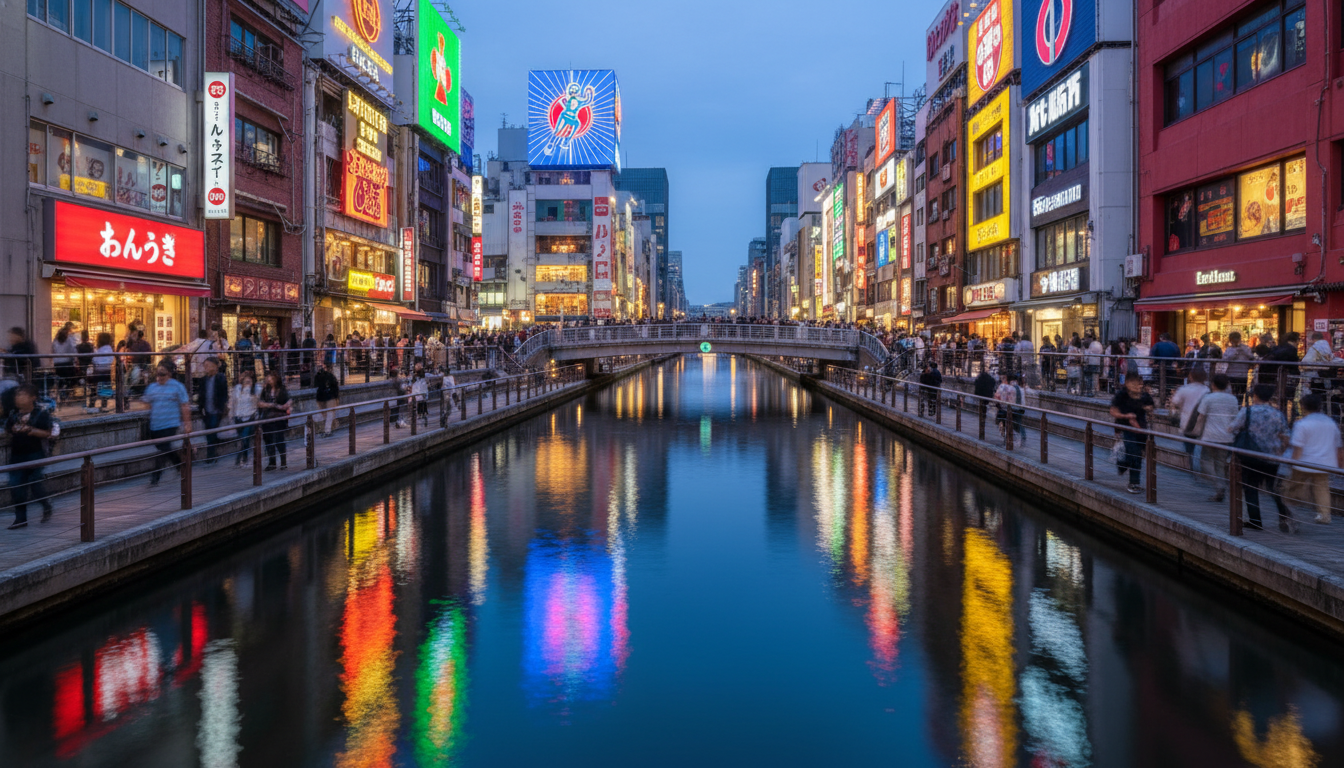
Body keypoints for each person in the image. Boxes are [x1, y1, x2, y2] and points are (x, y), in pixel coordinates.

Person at [1229, 384, 1294, 532]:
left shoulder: (1248, 411)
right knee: (1273, 487)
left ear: (1255, 395)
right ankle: (1284, 514)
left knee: (1250, 488)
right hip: (1273, 456)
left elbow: (1232, 427)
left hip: (1251, 455)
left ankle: (1255, 520)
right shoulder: (1277, 414)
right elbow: (1286, 436)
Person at [1286, 393, 1342, 525]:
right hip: (1324, 463)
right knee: (1322, 488)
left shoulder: (1302, 424)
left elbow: (1298, 448)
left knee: (1293, 487)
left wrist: (1292, 463)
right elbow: (1339, 446)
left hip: (1303, 463)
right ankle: (1324, 515)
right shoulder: (1330, 423)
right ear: (1320, 406)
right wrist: (1340, 465)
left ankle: (1289, 511)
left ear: (1303, 407)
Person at [5, 384, 54, 528]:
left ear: (32, 397)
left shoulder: (40, 414)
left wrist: (31, 430)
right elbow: (8, 429)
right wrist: (14, 429)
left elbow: (48, 433)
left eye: (22, 395)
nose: (18, 398)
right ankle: (21, 519)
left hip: (34, 454)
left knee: (35, 484)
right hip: (17, 455)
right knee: (16, 487)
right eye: (17, 395)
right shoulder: (13, 414)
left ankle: (46, 504)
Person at [143, 363, 191, 487]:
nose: (159, 377)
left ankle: (155, 477)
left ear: (169, 374)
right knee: (165, 448)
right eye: (158, 374)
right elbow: (146, 403)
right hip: (155, 425)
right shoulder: (152, 387)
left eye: (162, 374)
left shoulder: (177, 387)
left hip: (171, 423)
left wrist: (187, 423)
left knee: (163, 450)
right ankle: (180, 465)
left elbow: (184, 405)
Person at [1110, 372, 1155, 494]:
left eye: (1140, 384)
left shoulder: (1145, 396)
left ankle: (1123, 466)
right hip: (1126, 428)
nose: (1138, 386)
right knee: (1134, 453)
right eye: (1134, 384)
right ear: (1127, 383)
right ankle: (1133, 483)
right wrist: (1126, 416)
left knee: (1137, 455)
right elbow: (1113, 411)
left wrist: (1149, 410)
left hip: (1141, 429)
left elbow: (1151, 407)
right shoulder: (1121, 395)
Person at [1169, 367, 1210, 472]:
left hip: (1187, 422)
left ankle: (1191, 467)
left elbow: (1175, 403)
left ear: (1191, 376)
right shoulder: (1207, 390)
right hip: (1203, 424)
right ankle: (1198, 467)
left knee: (1189, 446)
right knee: (1200, 445)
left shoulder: (1184, 389)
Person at [196, 357, 229, 464]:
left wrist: (222, 407)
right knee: (209, 433)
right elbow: (201, 395)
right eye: (205, 366)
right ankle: (213, 453)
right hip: (207, 410)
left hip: (216, 410)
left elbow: (224, 394)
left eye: (208, 365)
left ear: (215, 366)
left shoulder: (221, 378)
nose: (206, 368)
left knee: (212, 432)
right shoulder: (203, 380)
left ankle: (210, 455)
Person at [258, 370, 291, 470]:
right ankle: (272, 462)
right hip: (267, 418)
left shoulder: (282, 389)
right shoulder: (265, 390)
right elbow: (260, 403)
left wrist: (285, 406)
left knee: (279, 439)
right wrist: (272, 405)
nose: (269, 380)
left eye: (271, 378)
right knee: (268, 440)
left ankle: (283, 461)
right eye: (268, 377)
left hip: (279, 418)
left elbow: (288, 401)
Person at [230, 369, 260, 466]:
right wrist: (232, 415)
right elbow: (233, 402)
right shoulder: (237, 389)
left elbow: (259, 401)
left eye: (249, 381)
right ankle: (245, 457)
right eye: (245, 381)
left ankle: (239, 459)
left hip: (250, 417)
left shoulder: (256, 389)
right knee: (243, 439)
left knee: (245, 437)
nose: (247, 383)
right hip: (238, 417)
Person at [994, 373, 1027, 446]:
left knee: (1006, 423)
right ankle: (1022, 438)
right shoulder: (1020, 389)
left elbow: (998, 398)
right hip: (1019, 409)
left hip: (1008, 410)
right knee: (1018, 423)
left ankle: (1007, 439)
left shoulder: (1005, 387)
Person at [1222, 331, 1254, 402]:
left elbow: (1251, 357)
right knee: (1232, 392)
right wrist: (1235, 353)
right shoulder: (1229, 349)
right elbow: (1225, 359)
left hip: (1243, 374)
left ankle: (1239, 406)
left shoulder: (1246, 348)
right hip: (1231, 374)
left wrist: (1243, 351)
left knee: (1241, 393)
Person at [51, 323, 78, 403]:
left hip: (58, 364)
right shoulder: (69, 339)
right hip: (67, 363)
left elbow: (53, 351)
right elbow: (73, 350)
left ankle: (61, 395)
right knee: (69, 380)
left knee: (60, 380)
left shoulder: (55, 341)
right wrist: (75, 359)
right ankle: (67, 394)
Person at [1150, 333, 1182, 399]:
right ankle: (1167, 399)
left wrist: (1153, 365)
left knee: (1158, 387)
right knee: (1169, 387)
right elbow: (1178, 360)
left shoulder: (1157, 345)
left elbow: (1151, 360)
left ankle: (1160, 399)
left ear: (1162, 338)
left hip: (1158, 370)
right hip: (1171, 370)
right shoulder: (1174, 346)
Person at [88, 332, 115, 411]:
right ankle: (104, 404)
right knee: (105, 388)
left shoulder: (99, 349)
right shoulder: (109, 349)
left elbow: (94, 359)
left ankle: (92, 404)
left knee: (94, 388)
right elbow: (111, 359)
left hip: (97, 371)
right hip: (106, 371)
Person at [314, 360, 340, 437]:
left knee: (325, 414)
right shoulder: (331, 376)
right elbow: (335, 387)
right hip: (330, 396)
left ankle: (324, 429)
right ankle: (327, 430)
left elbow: (316, 385)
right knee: (329, 414)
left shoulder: (318, 376)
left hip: (321, 397)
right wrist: (336, 397)